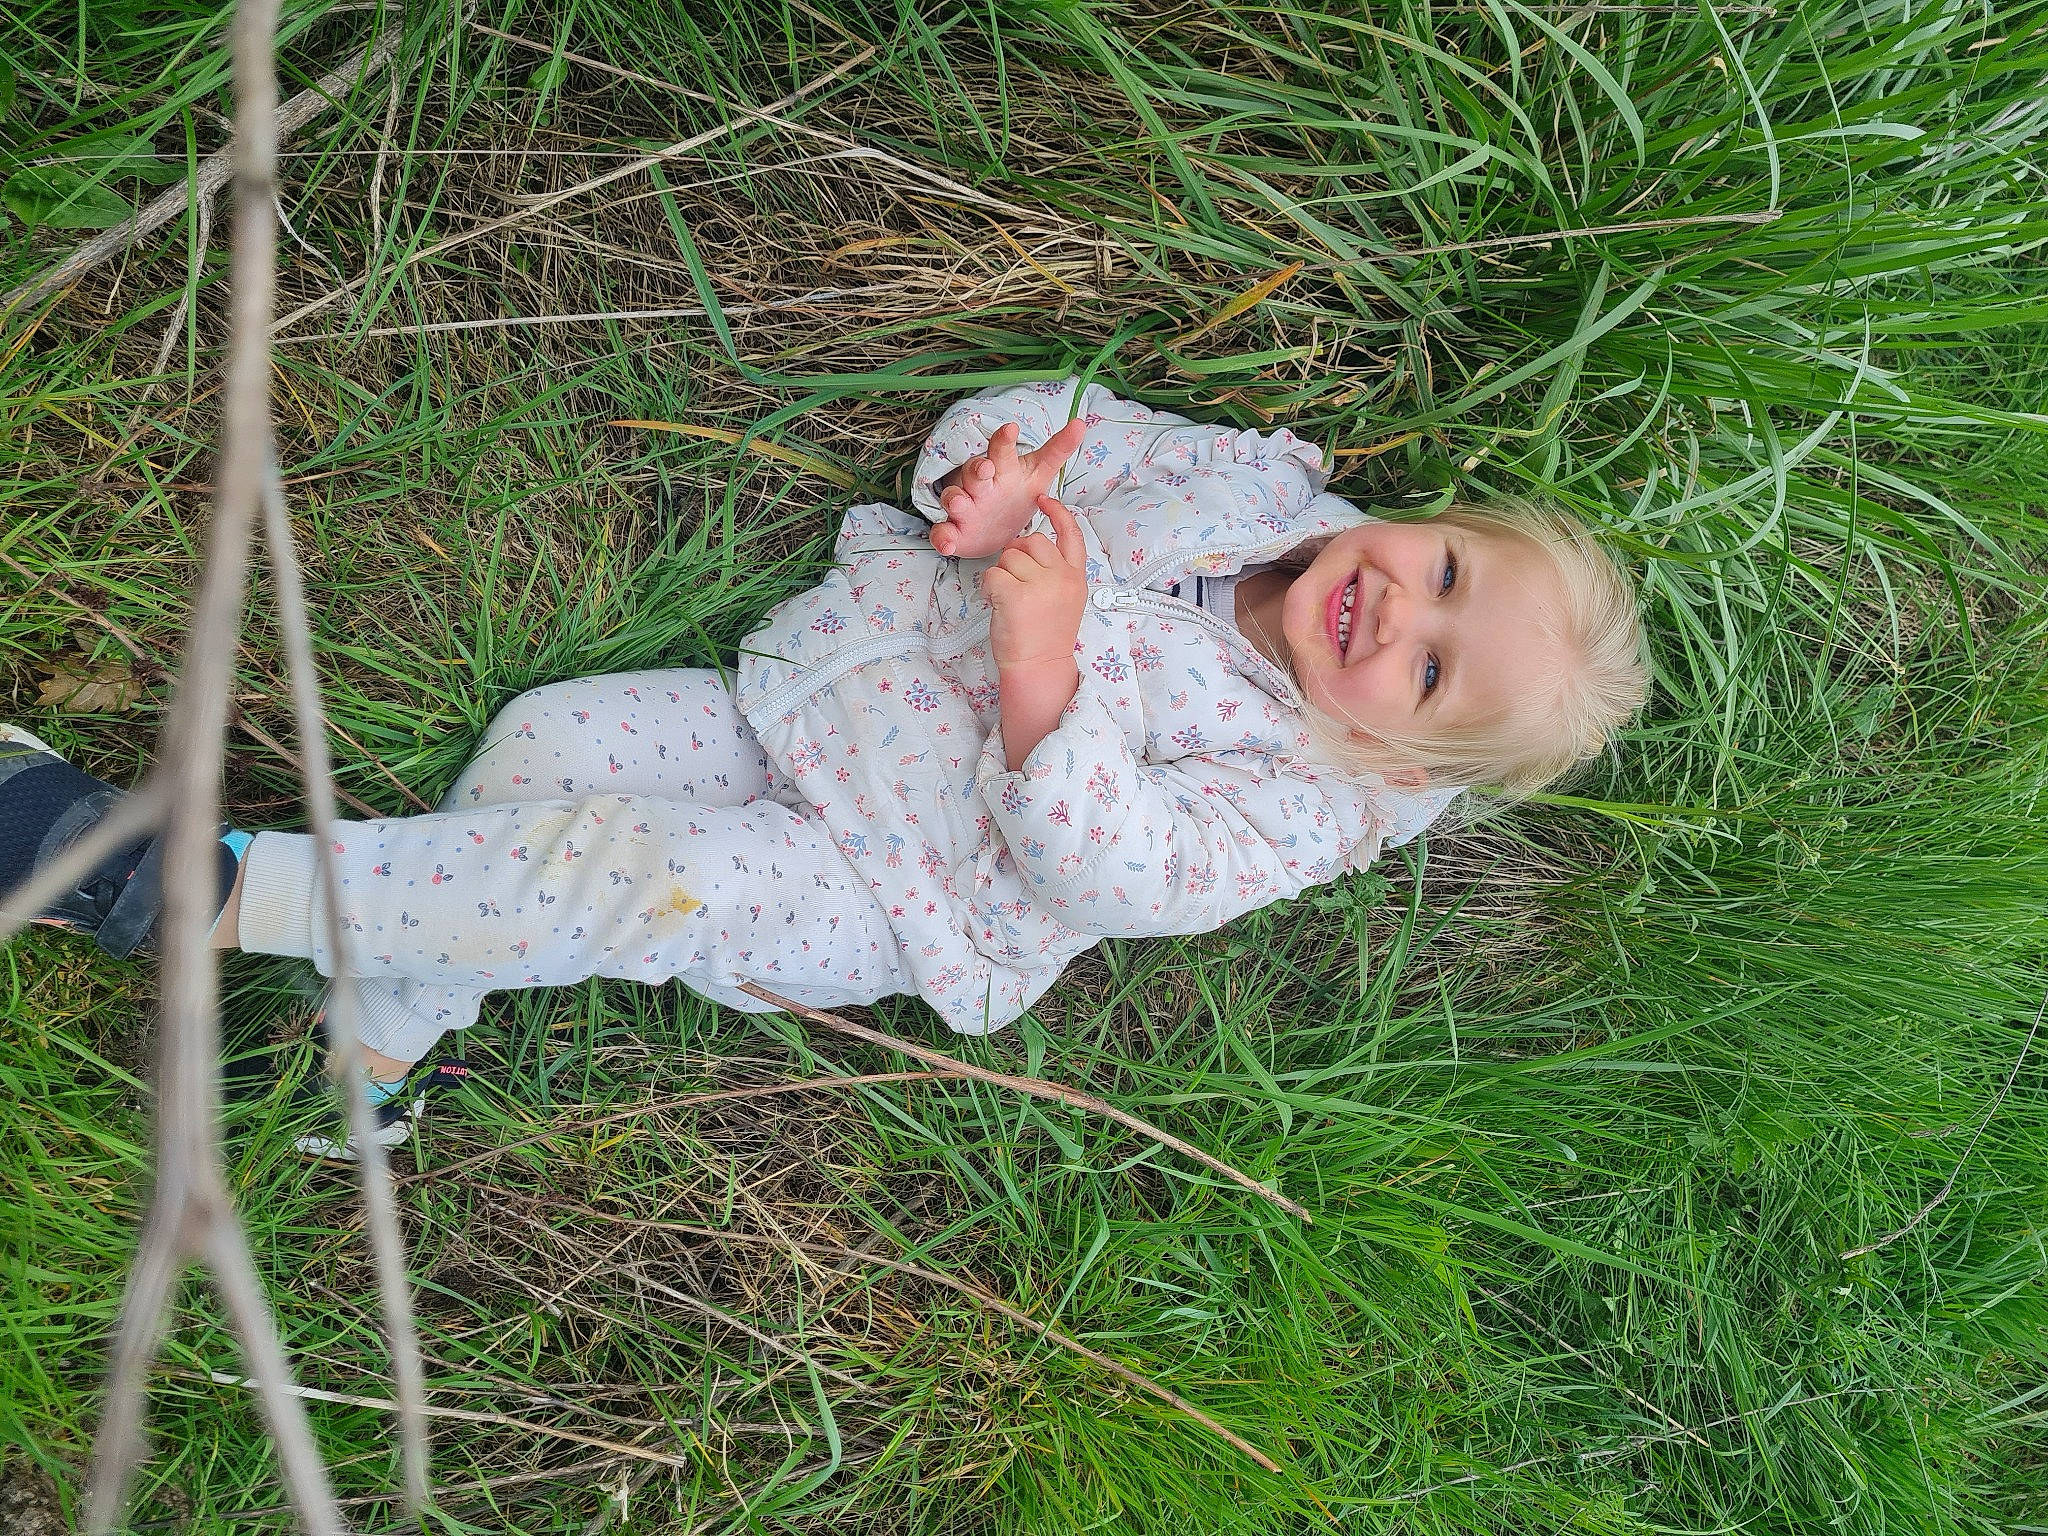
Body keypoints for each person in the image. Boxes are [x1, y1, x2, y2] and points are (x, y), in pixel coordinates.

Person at [1, 378, 1648, 1154]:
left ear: (1396, 745)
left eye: (1430, 672)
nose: (1395, 615)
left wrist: (1041, 657)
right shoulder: (1251, 490)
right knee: (545, 749)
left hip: (892, 890)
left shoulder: (1300, 795)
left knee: (650, 878)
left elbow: (1119, 871)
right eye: (1441, 571)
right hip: (815, 703)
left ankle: (177, 887)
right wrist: (991, 489)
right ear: (1433, 522)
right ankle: (383, 1048)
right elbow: (1041, 425)